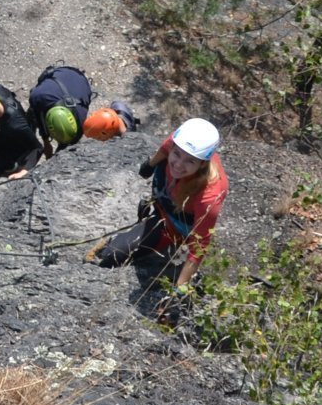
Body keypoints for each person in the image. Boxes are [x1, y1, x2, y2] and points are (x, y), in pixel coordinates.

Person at [88, 117, 229, 284]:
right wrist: (150, 164)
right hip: (164, 205)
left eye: (190, 161)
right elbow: (167, 146)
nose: (178, 164)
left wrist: (181, 286)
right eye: (177, 154)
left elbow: (200, 244)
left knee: (113, 255)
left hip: (174, 227)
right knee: (109, 255)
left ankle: (162, 231)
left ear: (202, 164)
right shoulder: (180, 142)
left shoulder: (209, 195)